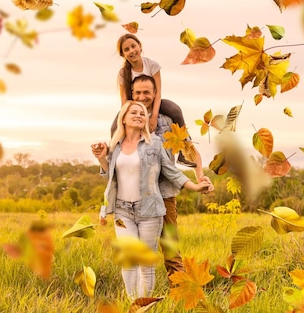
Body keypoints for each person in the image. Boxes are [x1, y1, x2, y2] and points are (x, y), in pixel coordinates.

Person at [91, 100, 211, 300]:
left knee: (146, 264)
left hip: (149, 211)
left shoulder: (154, 143)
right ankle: (134, 303)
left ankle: (143, 304)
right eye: (133, 112)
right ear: (124, 118)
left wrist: (196, 185)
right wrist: (101, 158)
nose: (139, 115)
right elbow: (108, 176)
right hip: (122, 212)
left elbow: (173, 173)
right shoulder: (115, 146)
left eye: (142, 113)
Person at [130, 74, 214, 280]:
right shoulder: (127, 121)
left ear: (155, 94)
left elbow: (188, 149)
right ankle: (136, 297)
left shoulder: (167, 121)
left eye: (146, 92)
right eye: (138, 92)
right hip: (135, 194)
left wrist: (200, 175)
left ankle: (179, 294)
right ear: (132, 94)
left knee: (171, 249)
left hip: (166, 192)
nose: (142, 96)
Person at [114, 33, 196, 167]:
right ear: (123, 54)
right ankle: (114, 157)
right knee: (114, 126)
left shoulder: (152, 65)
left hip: (153, 101)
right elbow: (124, 101)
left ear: (140, 46)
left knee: (174, 110)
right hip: (134, 105)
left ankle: (184, 149)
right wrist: (131, 116)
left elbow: (158, 93)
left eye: (133, 46)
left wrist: (154, 117)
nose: (131, 51)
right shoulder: (123, 73)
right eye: (126, 49)